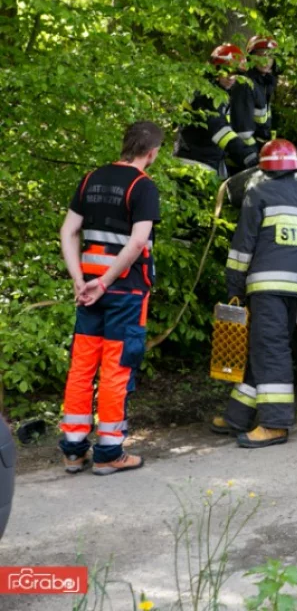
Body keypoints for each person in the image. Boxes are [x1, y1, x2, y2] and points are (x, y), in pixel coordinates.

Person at [59, 121, 163, 475]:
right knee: (116, 369)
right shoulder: (143, 186)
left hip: (89, 291)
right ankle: (109, 453)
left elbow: (69, 230)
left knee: (82, 366)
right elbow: (136, 244)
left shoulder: (91, 178)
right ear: (151, 153)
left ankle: (73, 450)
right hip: (124, 293)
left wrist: (80, 280)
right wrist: (103, 282)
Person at [211, 139, 297, 448]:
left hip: (266, 288)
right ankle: (237, 416)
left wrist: (234, 290)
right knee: (265, 346)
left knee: (270, 350)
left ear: (263, 168)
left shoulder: (258, 194)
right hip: (296, 289)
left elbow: (242, 248)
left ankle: (275, 424)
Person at [173, 44, 258, 178]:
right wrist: (248, 156)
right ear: (214, 69)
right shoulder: (206, 94)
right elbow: (220, 130)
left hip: (204, 160)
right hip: (194, 164)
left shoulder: (219, 91)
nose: (230, 77)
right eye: (226, 71)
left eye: (235, 73)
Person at [246, 35, 279, 148]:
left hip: (262, 145)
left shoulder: (265, 82)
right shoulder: (247, 84)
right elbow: (242, 129)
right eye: (260, 55)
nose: (266, 60)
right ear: (251, 58)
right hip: (246, 153)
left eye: (270, 56)